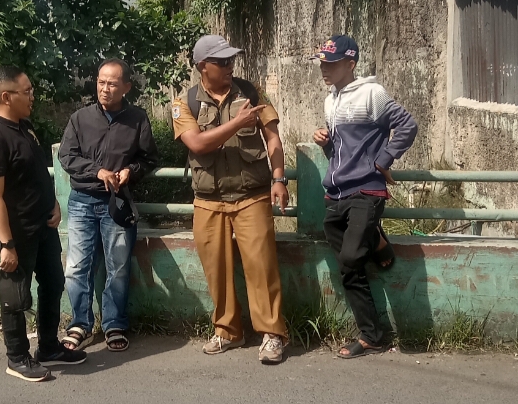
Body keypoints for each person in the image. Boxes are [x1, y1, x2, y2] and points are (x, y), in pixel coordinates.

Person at [172, 34, 290, 365]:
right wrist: (237, 123)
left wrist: (278, 178)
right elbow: (197, 144)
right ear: (202, 66)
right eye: (221, 61)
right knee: (216, 270)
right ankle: (228, 331)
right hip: (208, 200)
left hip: (251, 196)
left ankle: (273, 333)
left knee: (262, 267)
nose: (229, 66)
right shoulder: (184, 103)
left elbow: (273, 138)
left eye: (231, 60)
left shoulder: (250, 92)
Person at [0, 66, 86, 382]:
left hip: (42, 226)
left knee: (53, 283)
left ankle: (48, 347)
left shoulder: (24, 126)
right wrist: (6, 244)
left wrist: (53, 203)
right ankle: (17, 358)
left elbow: (37, 172)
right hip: (17, 232)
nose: (32, 96)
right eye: (27, 92)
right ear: (6, 97)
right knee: (14, 296)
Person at [311, 35, 418, 359]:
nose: (324, 69)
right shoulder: (330, 101)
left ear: (350, 63)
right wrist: (325, 142)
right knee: (347, 261)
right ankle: (376, 241)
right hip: (337, 192)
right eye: (322, 63)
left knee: (349, 260)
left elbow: (407, 126)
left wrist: (383, 161)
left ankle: (371, 336)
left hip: (367, 190)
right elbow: (340, 152)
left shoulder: (372, 94)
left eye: (331, 64)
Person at [58, 58, 159, 352]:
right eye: (101, 82)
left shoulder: (137, 119)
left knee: (118, 267)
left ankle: (114, 323)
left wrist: (131, 171)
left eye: (112, 84)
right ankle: (80, 324)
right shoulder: (80, 118)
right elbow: (67, 156)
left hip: (118, 203)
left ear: (126, 87)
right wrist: (97, 171)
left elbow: (149, 158)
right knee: (77, 267)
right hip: (82, 201)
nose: (105, 88)